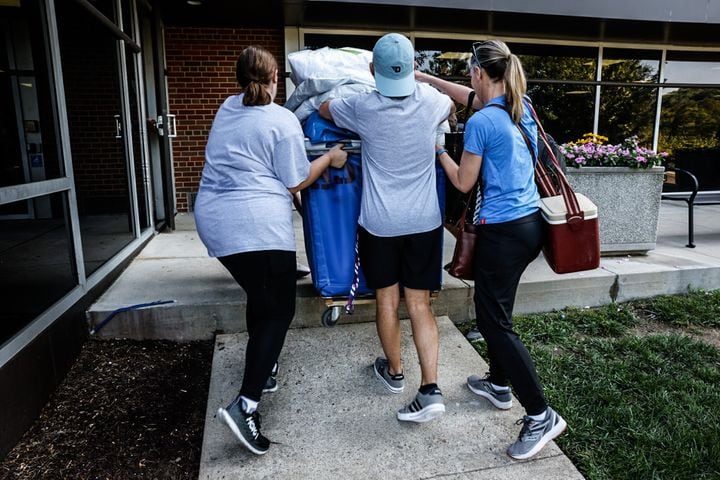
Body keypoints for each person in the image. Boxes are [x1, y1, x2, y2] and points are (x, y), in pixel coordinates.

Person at [415, 39, 567, 460]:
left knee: (493, 321)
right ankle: (499, 385)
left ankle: (540, 414)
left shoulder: (483, 124)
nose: (467, 80)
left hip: (501, 232)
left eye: (469, 72)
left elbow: (463, 183)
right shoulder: (522, 106)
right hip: (531, 226)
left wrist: (439, 150)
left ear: (481, 73)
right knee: (498, 310)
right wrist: (426, 78)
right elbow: (468, 97)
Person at [193, 45, 347, 455]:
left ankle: (267, 364)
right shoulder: (281, 120)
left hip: (214, 220)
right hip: (255, 225)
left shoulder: (228, 107)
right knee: (279, 309)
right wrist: (331, 157)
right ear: (276, 78)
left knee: (260, 294)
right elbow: (296, 180)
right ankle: (246, 405)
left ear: (240, 79)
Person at [319, 33, 452, 423]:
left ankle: (394, 373)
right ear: (413, 68)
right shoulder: (432, 103)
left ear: (372, 69)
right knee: (420, 304)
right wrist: (422, 80)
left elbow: (325, 109)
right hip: (424, 223)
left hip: (379, 224)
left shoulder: (361, 106)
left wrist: (363, 86)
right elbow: (451, 105)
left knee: (387, 301)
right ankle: (430, 389)